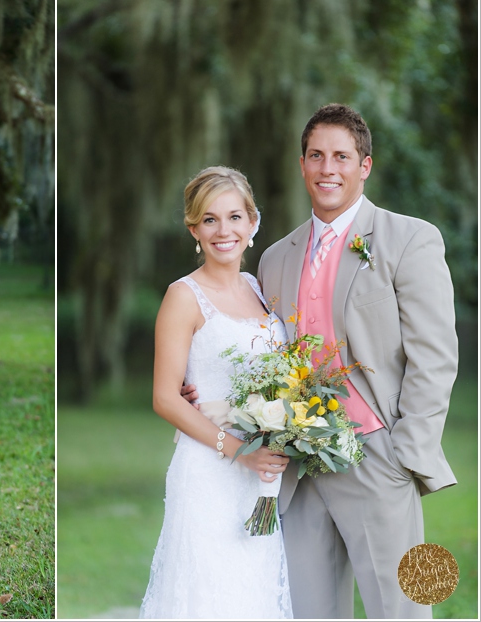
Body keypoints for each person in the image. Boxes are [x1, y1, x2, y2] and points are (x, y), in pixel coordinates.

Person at [183, 104, 458, 618]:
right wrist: (199, 385)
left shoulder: (410, 239)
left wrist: (406, 451)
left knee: (401, 610)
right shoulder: (275, 257)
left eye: (341, 156)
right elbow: (257, 347)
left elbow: (436, 357)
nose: (327, 168)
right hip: (297, 468)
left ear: (365, 166)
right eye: (316, 155)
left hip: (379, 456)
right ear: (302, 164)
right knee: (307, 611)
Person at [139, 166, 292, 619]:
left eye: (234, 217)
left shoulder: (260, 289)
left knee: (252, 594)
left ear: (253, 222)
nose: (223, 231)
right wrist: (239, 450)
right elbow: (165, 397)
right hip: (210, 469)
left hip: (261, 473)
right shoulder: (182, 296)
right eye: (209, 220)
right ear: (194, 229)